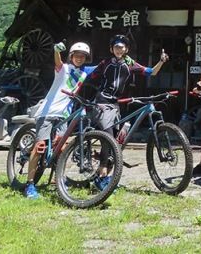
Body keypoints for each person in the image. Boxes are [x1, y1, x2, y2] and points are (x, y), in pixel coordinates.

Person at [85, 34, 169, 190]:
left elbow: (151, 72)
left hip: (116, 106)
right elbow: (90, 74)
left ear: (126, 49)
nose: (119, 49)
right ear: (111, 49)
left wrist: (161, 61)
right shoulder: (105, 63)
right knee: (108, 139)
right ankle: (102, 179)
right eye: (116, 46)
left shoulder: (130, 63)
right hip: (102, 103)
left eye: (122, 47)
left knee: (117, 142)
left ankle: (101, 176)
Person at [24, 41, 94, 199]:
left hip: (64, 115)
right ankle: (30, 184)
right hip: (48, 112)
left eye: (82, 56)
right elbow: (58, 61)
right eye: (76, 55)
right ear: (71, 56)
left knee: (60, 148)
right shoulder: (64, 69)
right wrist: (56, 50)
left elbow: (103, 67)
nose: (79, 58)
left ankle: (57, 179)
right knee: (40, 145)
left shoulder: (84, 72)